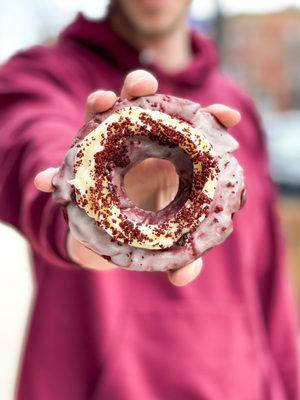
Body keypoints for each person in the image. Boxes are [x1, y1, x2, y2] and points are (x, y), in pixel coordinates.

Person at [0, 0, 298, 398]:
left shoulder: (237, 106)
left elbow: (269, 283)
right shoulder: (43, 76)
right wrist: (79, 222)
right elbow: (30, 147)